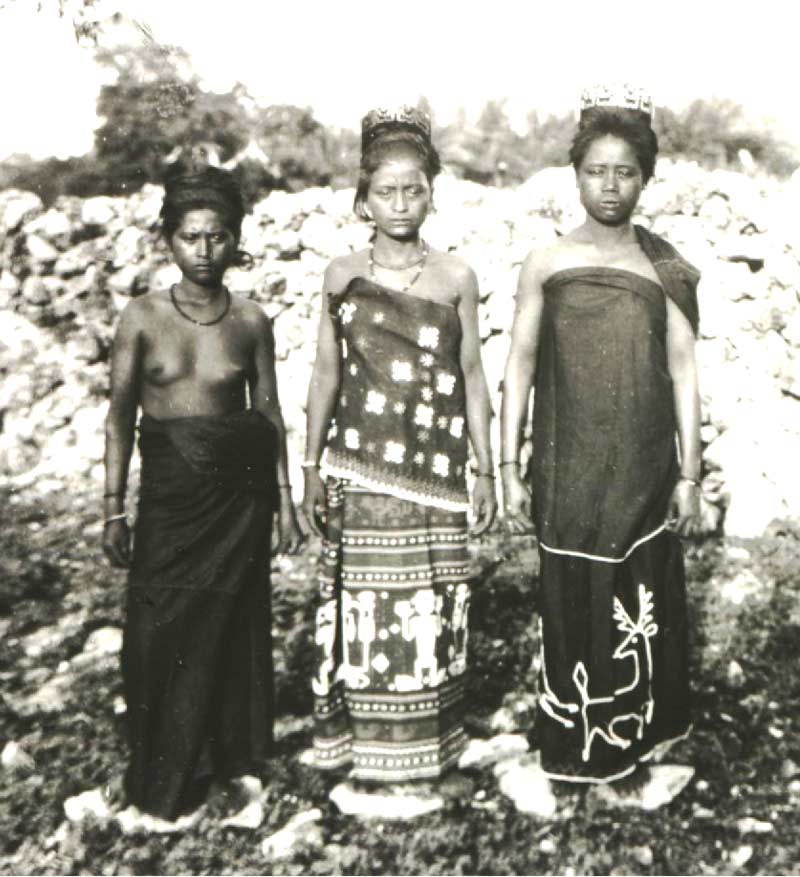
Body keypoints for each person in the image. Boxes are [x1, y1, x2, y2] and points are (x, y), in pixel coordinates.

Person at [501, 85, 701, 800]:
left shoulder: (664, 269)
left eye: (625, 172)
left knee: (635, 597)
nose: (610, 185)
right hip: (565, 463)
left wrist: (690, 473)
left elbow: (682, 369)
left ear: (645, 178)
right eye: (596, 171)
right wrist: (507, 465)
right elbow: (519, 363)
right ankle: (572, 746)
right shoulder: (547, 262)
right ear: (575, 173)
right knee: (570, 593)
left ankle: (632, 744)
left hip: (644, 466)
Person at [302, 106, 496, 800]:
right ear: (363, 200)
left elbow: (472, 373)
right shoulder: (339, 275)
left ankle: (433, 745)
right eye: (387, 191)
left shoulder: (455, 279)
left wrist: (485, 468)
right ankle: (366, 745)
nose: (401, 203)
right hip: (361, 470)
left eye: (414, 189)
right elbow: (325, 374)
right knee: (368, 605)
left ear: (431, 193)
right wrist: (309, 468)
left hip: (437, 472)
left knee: (432, 603)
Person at [103, 165, 303, 827]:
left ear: (236, 239)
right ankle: (164, 770)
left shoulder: (251, 320)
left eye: (219, 236)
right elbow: (119, 418)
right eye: (191, 237)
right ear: (168, 241)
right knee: (156, 632)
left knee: (230, 626)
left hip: (237, 502)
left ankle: (229, 759)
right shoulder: (141, 317)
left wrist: (286, 500)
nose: (205, 249)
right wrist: (113, 507)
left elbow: (269, 411)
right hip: (169, 498)